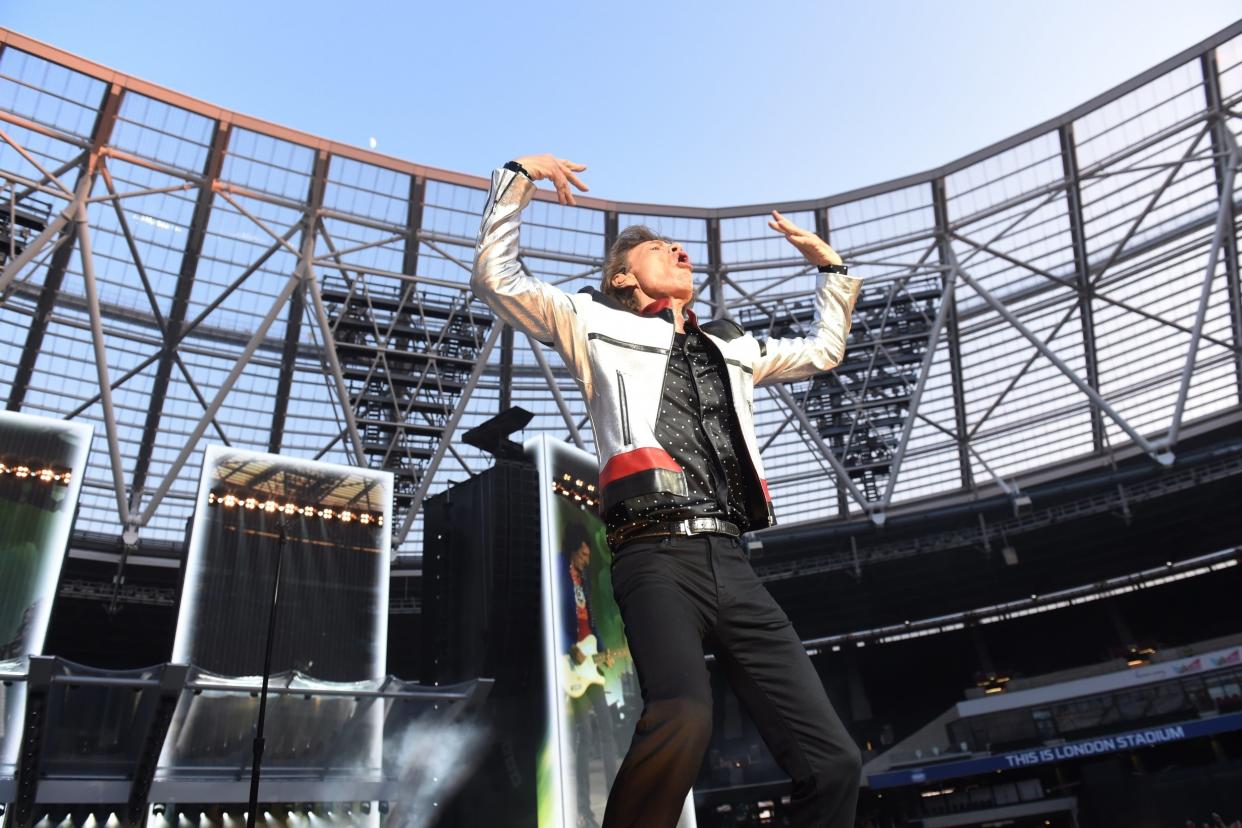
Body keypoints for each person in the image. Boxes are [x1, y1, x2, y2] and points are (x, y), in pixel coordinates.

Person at [472, 153, 863, 828]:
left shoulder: (732, 344)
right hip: (653, 557)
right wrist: (518, 177)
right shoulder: (591, 319)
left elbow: (824, 351)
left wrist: (830, 269)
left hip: (735, 563)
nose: (680, 251)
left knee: (835, 765)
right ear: (623, 274)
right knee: (682, 716)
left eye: (679, 248)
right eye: (659, 248)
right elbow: (496, 277)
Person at [560, 521, 621, 827]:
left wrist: (606, 651)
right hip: (569, 666)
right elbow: (553, 614)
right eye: (583, 554)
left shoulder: (582, 579)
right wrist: (567, 646)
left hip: (590, 666)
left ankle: (617, 795)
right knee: (584, 732)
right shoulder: (559, 572)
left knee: (607, 730)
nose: (586, 559)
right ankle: (583, 807)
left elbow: (592, 625)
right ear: (573, 549)